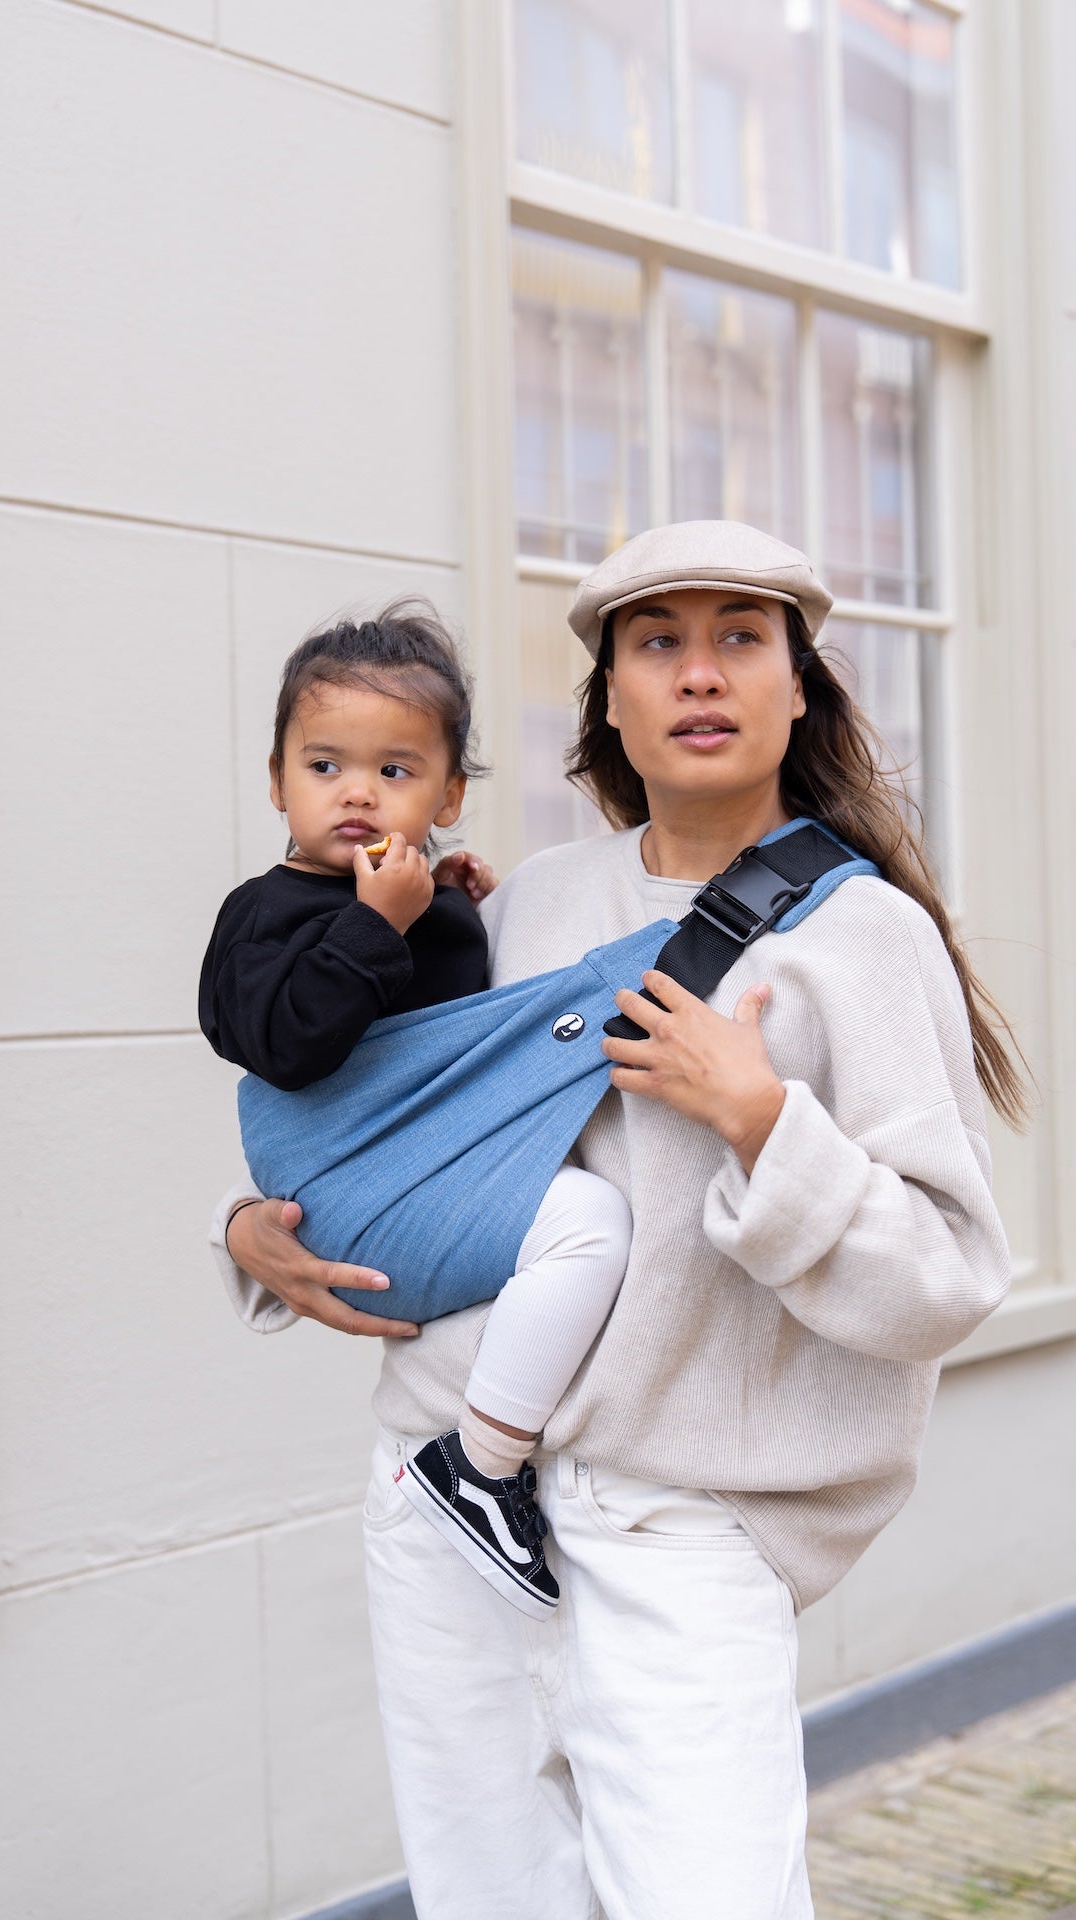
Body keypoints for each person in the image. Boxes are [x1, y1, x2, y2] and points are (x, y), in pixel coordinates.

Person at [213, 522, 1023, 1920]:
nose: (699, 674)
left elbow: (944, 1280)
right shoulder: (525, 904)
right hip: (439, 1493)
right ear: (610, 699)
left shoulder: (864, 939)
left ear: (796, 689)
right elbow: (387, 1115)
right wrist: (250, 1230)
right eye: (659, 643)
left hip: (680, 1526)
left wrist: (761, 1122)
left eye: (739, 639)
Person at [200, 603, 632, 1618]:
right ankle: (481, 1464)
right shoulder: (261, 912)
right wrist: (378, 922)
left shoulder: (418, 897)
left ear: (448, 794)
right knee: (590, 1225)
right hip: (359, 1183)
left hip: (438, 1166)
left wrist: (447, 904)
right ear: (276, 781)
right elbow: (283, 1046)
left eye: (395, 770)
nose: (357, 791)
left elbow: (451, 1030)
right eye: (324, 765)